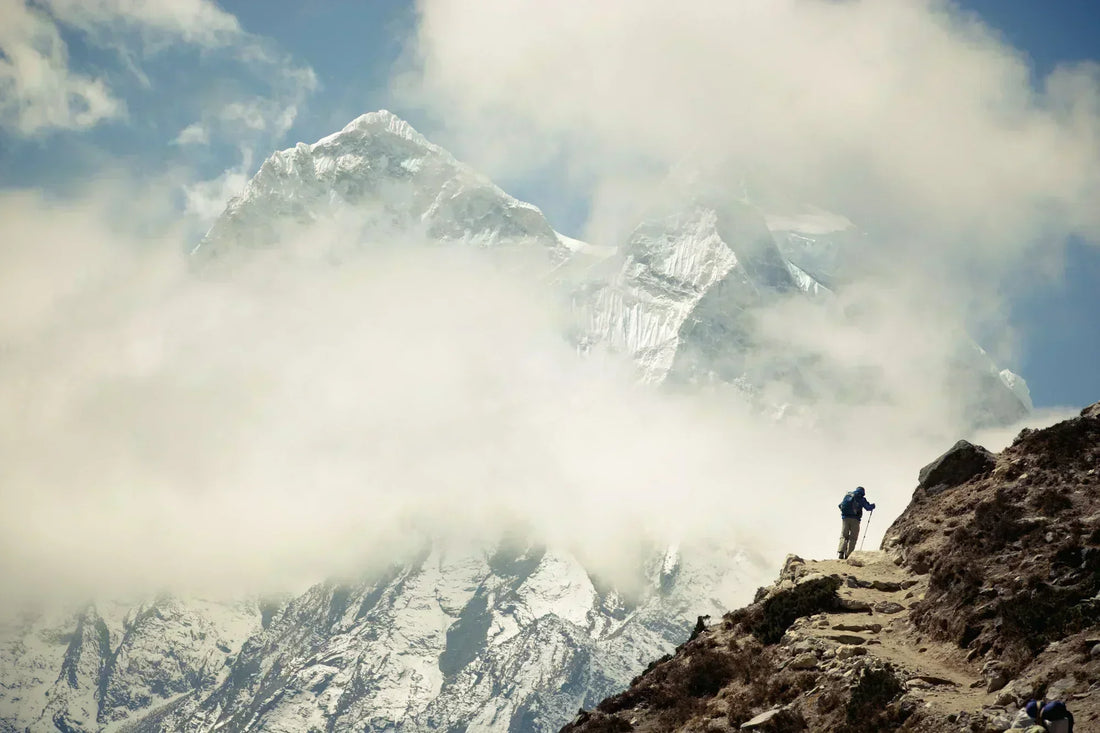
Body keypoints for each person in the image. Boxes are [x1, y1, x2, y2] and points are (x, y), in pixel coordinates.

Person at [837, 486, 875, 560]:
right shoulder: (861, 498)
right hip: (855, 519)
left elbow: (839, 505)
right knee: (853, 538)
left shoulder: (849, 495)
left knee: (844, 535)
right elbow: (868, 508)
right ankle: (848, 555)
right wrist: (873, 506)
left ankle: (841, 552)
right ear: (863, 492)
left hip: (845, 518)